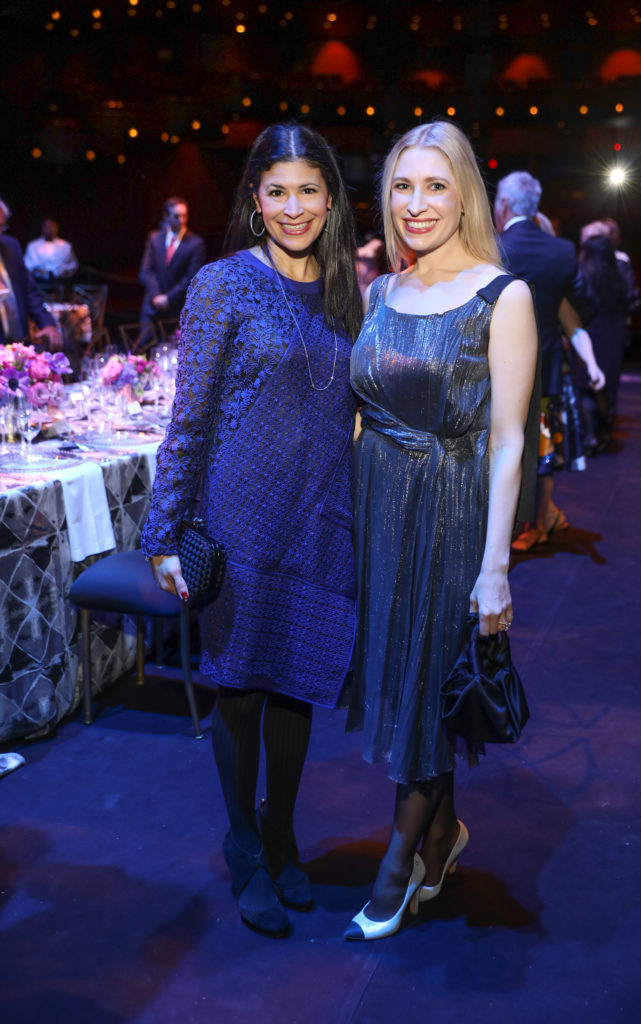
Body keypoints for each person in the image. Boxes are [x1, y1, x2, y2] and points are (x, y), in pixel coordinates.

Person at [141, 124, 362, 938]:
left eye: (309, 189)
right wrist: (165, 534)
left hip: (321, 519)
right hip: (240, 518)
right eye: (277, 191)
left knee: (297, 681)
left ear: (330, 200)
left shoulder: (348, 291)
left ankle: (281, 830)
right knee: (239, 685)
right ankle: (243, 840)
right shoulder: (224, 284)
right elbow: (189, 419)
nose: (293, 206)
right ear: (254, 200)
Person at [344, 121, 537, 941]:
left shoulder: (504, 295)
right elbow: (359, 413)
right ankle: (446, 835)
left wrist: (495, 567)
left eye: (433, 186)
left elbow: (507, 440)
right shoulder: (381, 292)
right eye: (400, 186)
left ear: (465, 195)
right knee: (412, 676)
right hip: (378, 511)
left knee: (428, 679)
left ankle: (398, 865)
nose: (416, 204)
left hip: (450, 511)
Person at [495, 171, 592, 550]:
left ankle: (527, 522)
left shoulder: (493, 247)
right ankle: (543, 518)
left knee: (506, 446)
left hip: (498, 368)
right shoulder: (563, 251)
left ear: (503, 206)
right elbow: (585, 305)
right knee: (543, 446)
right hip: (548, 366)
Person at [574, 234, 629, 450]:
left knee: (586, 384)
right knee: (607, 385)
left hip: (587, 331)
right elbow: (627, 301)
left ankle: (590, 435)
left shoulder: (581, 274)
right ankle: (604, 433)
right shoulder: (616, 275)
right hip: (611, 333)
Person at [138, 196, 206, 349]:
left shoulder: (195, 243)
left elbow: (190, 278)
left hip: (175, 309)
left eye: (184, 216)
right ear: (166, 216)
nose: (181, 220)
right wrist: (156, 296)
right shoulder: (155, 238)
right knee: (144, 349)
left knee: (170, 353)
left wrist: (168, 298)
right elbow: (146, 271)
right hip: (152, 307)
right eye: (176, 216)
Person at [0, 198, 61, 349]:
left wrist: (47, 324)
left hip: (20, 346)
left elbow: (29, 291)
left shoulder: (11, 246)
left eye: (0, 226)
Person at [24, 218, 78, 285]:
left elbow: (73, 265)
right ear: (42, 228)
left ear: (57, 228)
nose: (50, 229)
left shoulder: (65, 246)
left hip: (60, 282)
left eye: (52, 226)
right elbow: (28, 264)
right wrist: (38, 270)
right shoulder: (33, 245)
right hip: (38, 283)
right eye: (47, 227)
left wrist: (64, 270)